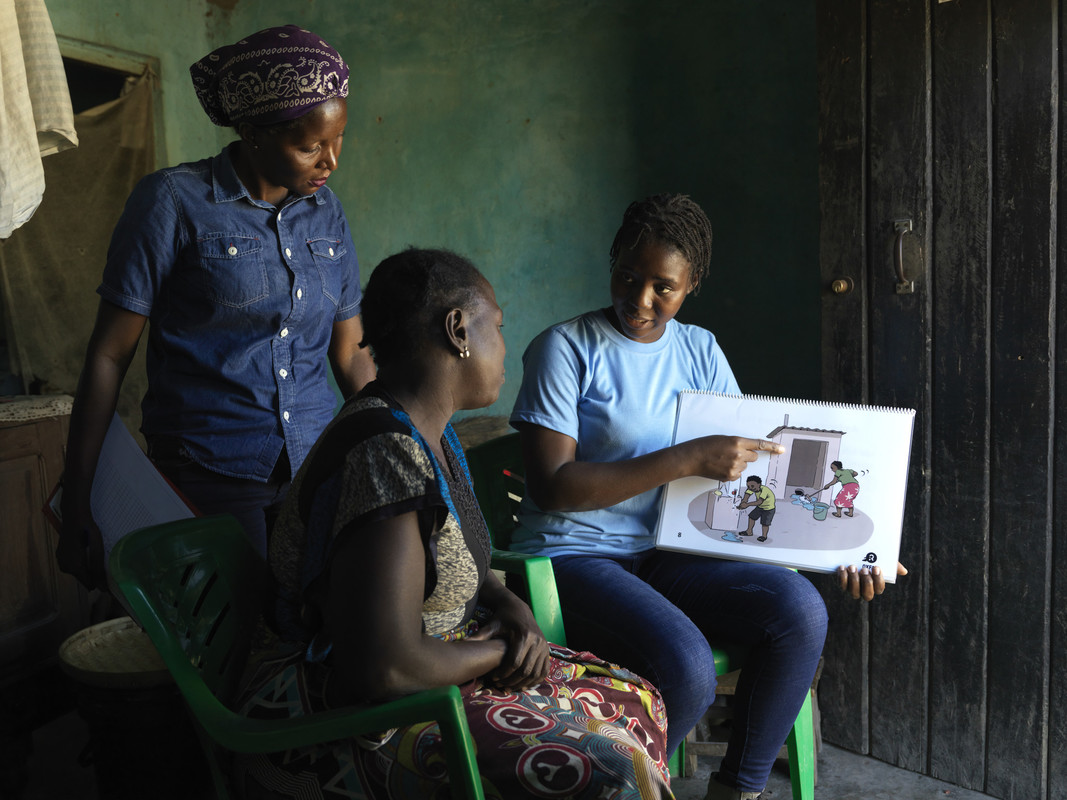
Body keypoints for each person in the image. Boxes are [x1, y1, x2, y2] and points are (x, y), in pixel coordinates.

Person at [233, 248, 674, 800]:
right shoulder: (384, 457)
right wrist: (507, 650)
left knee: (636, 697)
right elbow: (385, 669)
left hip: (431, 670)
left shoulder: (431, 435)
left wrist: (514, 609)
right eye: (500, 326)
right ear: (458, 329)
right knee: (607, 770)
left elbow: (456, 559)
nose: (506, 346)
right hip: (339, 715)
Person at [509, 193, 905, 800]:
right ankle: (626, 790)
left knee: (800, 614)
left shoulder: (700, 352)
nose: (640, 299)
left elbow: (756, 488)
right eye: (628, 276)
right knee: (686, 666)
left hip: (668, 555)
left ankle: (736, 791)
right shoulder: (566, 349)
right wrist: (688, 457)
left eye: (662, 287)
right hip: (574, 557)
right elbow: (552, 486)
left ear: (692, 284)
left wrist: (854, 550)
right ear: (613, 260)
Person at [57, 25, 375, 589]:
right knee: (237, 642)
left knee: (311, 633)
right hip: (210, 468)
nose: (330, 161)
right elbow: (109, 355)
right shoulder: (173, 202)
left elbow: (350, 356)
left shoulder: (327, 213)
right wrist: (78, 496)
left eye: (338, 139)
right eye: (309, 145)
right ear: (252, 133)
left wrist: (403, 448)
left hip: (313, 466)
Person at [737, 475, 775, 542]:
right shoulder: (751, 488)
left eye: (752, 486)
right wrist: (743, 502)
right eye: (748, 486)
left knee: (765, 523)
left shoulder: (764, 490)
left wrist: (747, 505)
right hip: (760, 507)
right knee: (751, 517)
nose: (750, 488)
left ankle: (764, 536)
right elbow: (746, 495)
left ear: (759, 484)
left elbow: (759, 502)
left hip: (769, 509)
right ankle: (749, 532)